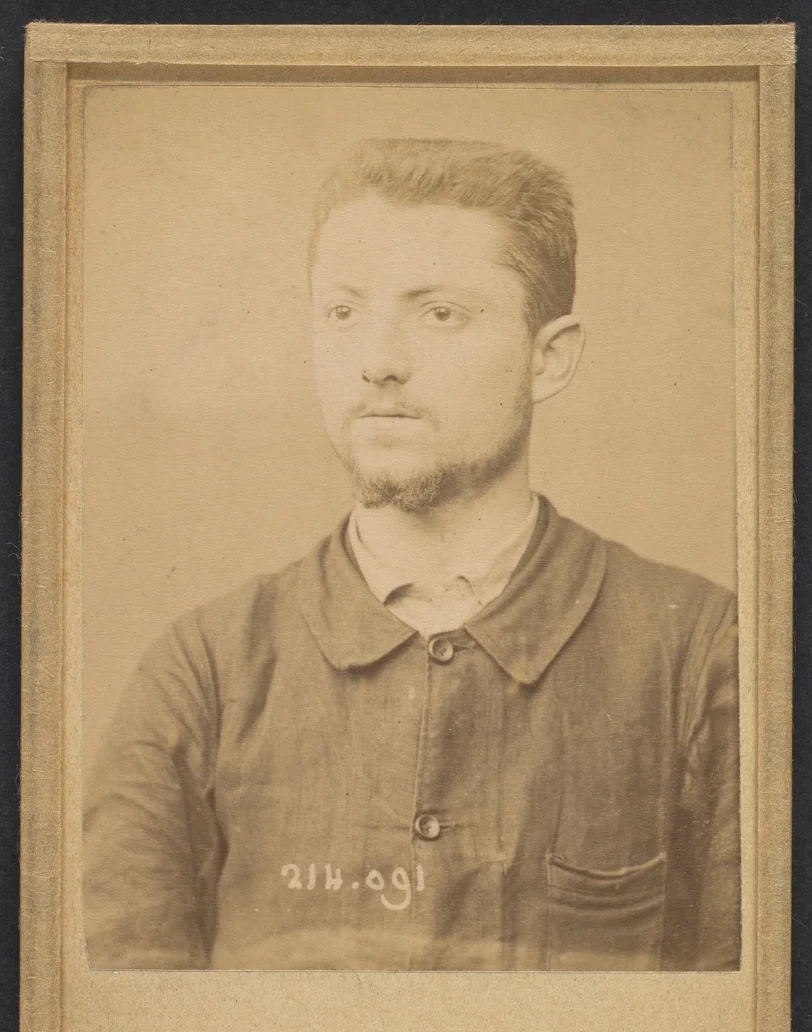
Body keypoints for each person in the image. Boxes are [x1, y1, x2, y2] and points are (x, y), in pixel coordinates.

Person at [83, 137, 740, 972]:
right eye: (344, 313)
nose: (378, 362)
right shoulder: (199, 673)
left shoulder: (707, 655)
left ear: (550, 358)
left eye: (440, 315)